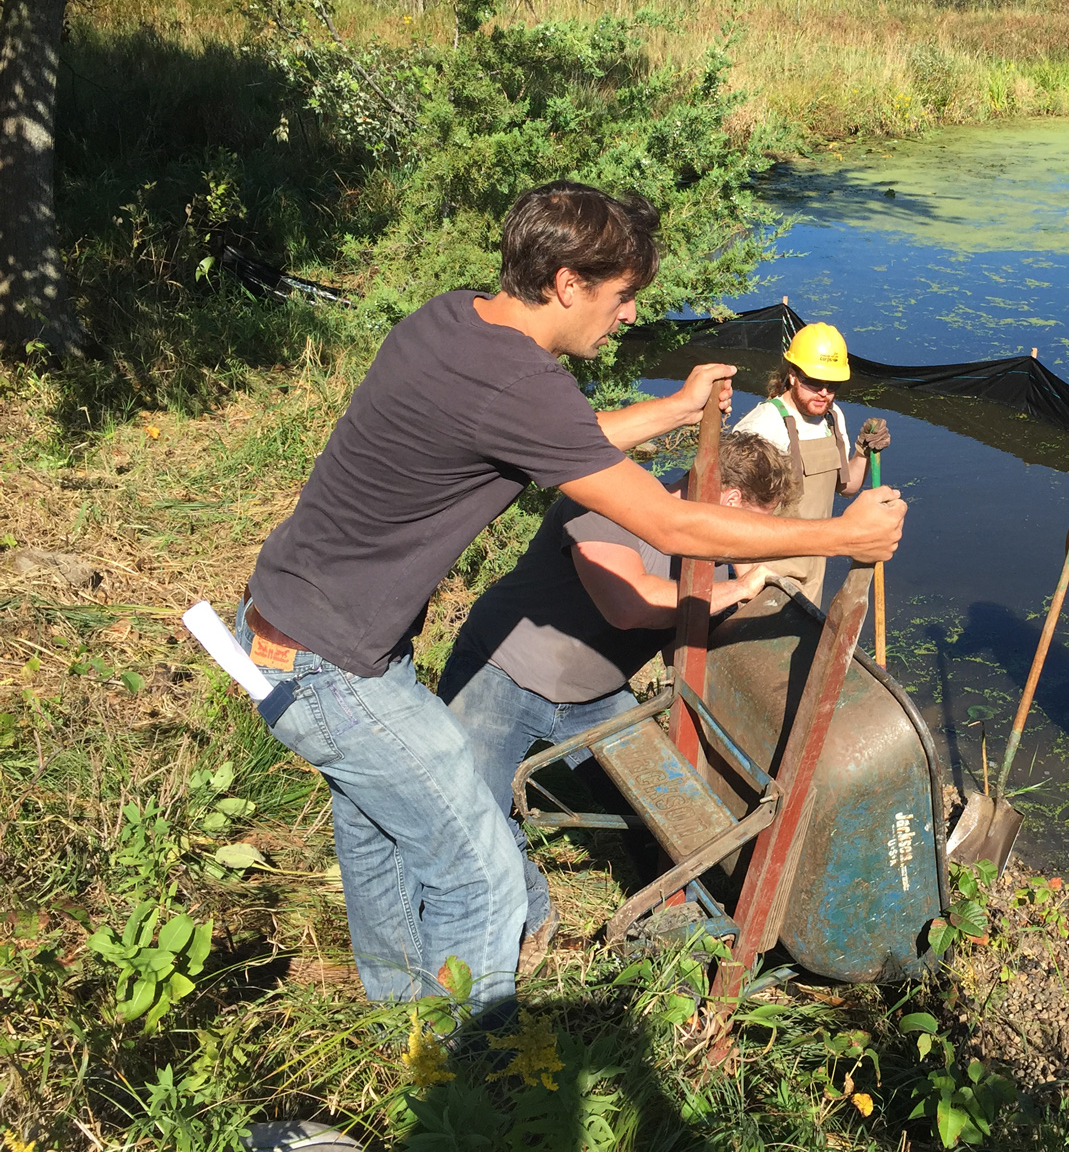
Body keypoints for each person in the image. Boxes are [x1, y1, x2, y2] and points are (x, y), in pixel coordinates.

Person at [233, 181, 904, 1016]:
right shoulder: (520, 386)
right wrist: (842, 538)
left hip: (284, 627)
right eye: (623, 296)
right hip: (334, 669)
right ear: (567, 284)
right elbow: (664, 517)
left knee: (377, 831)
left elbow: (555, 438)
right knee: (482, 880)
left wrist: (675, 409)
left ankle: (401, 1021)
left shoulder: (458, 321)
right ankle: (462, 1086)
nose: (628, 317)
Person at [438, 431, 795, 973]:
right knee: (469, 813)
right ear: (726, 500)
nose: (748, 543)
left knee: (668, 815)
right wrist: (732, 592)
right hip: (504, 670)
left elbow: (690, 650)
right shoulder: (607, 501)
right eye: (752, 525)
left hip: (596, 695)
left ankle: (668, 921)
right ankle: (531, 914)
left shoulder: (713, 563)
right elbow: (626, 604)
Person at [733, 321, 890, 604]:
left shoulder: (832, 418)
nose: (824, 392)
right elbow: (731, 515)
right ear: (793, 375)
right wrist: (747, 587)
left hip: (814, 567)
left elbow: (848, 486)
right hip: (769, 577)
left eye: (832, 385)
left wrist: (863, 451)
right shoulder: (763, 427)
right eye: (814, 382)